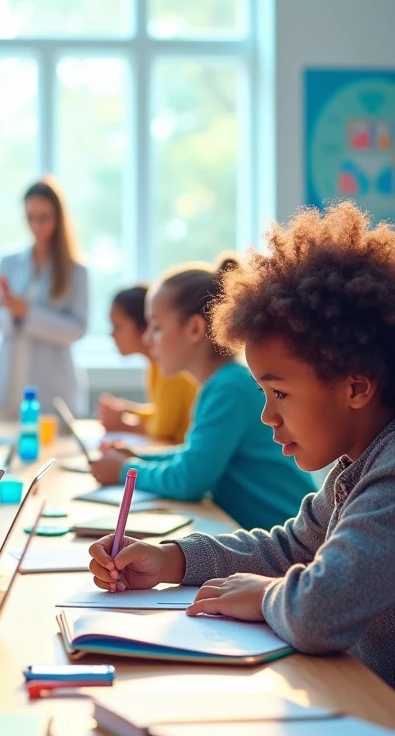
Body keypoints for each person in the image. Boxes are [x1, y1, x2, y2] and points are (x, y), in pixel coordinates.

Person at [88, 203, 395, 688]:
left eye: (280, 394)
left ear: (356, 387)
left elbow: (318, 610)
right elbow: (293, 547)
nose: (267, 416)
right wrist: (173, 559)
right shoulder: (352, 468)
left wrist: (264, 595)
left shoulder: (390, 474)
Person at [90, 256, 314, 531]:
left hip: (289, 543)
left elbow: (190, 480)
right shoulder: (221, 384)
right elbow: (194, 457)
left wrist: (126, 470)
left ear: (194, 328)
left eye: (157, 327)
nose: (148, 339)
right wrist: (136, 456)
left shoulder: (229, 388)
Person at [0, 177, 88, 415]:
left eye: (44, 218)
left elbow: (77, 329)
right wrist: (12, 316)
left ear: (58, 218)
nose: (36, 226)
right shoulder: (8, 262)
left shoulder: (76, 270)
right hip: (9, 375)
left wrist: (28, 314)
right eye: (30, 218)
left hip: (53, 382)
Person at [96, 284, 198, 444]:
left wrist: (123, 425)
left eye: (118, 326)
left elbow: (163, 428)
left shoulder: (171, 367)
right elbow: (161, 412)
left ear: (143, 326)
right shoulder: (154, 367)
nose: (112, 334)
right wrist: (126, 410)